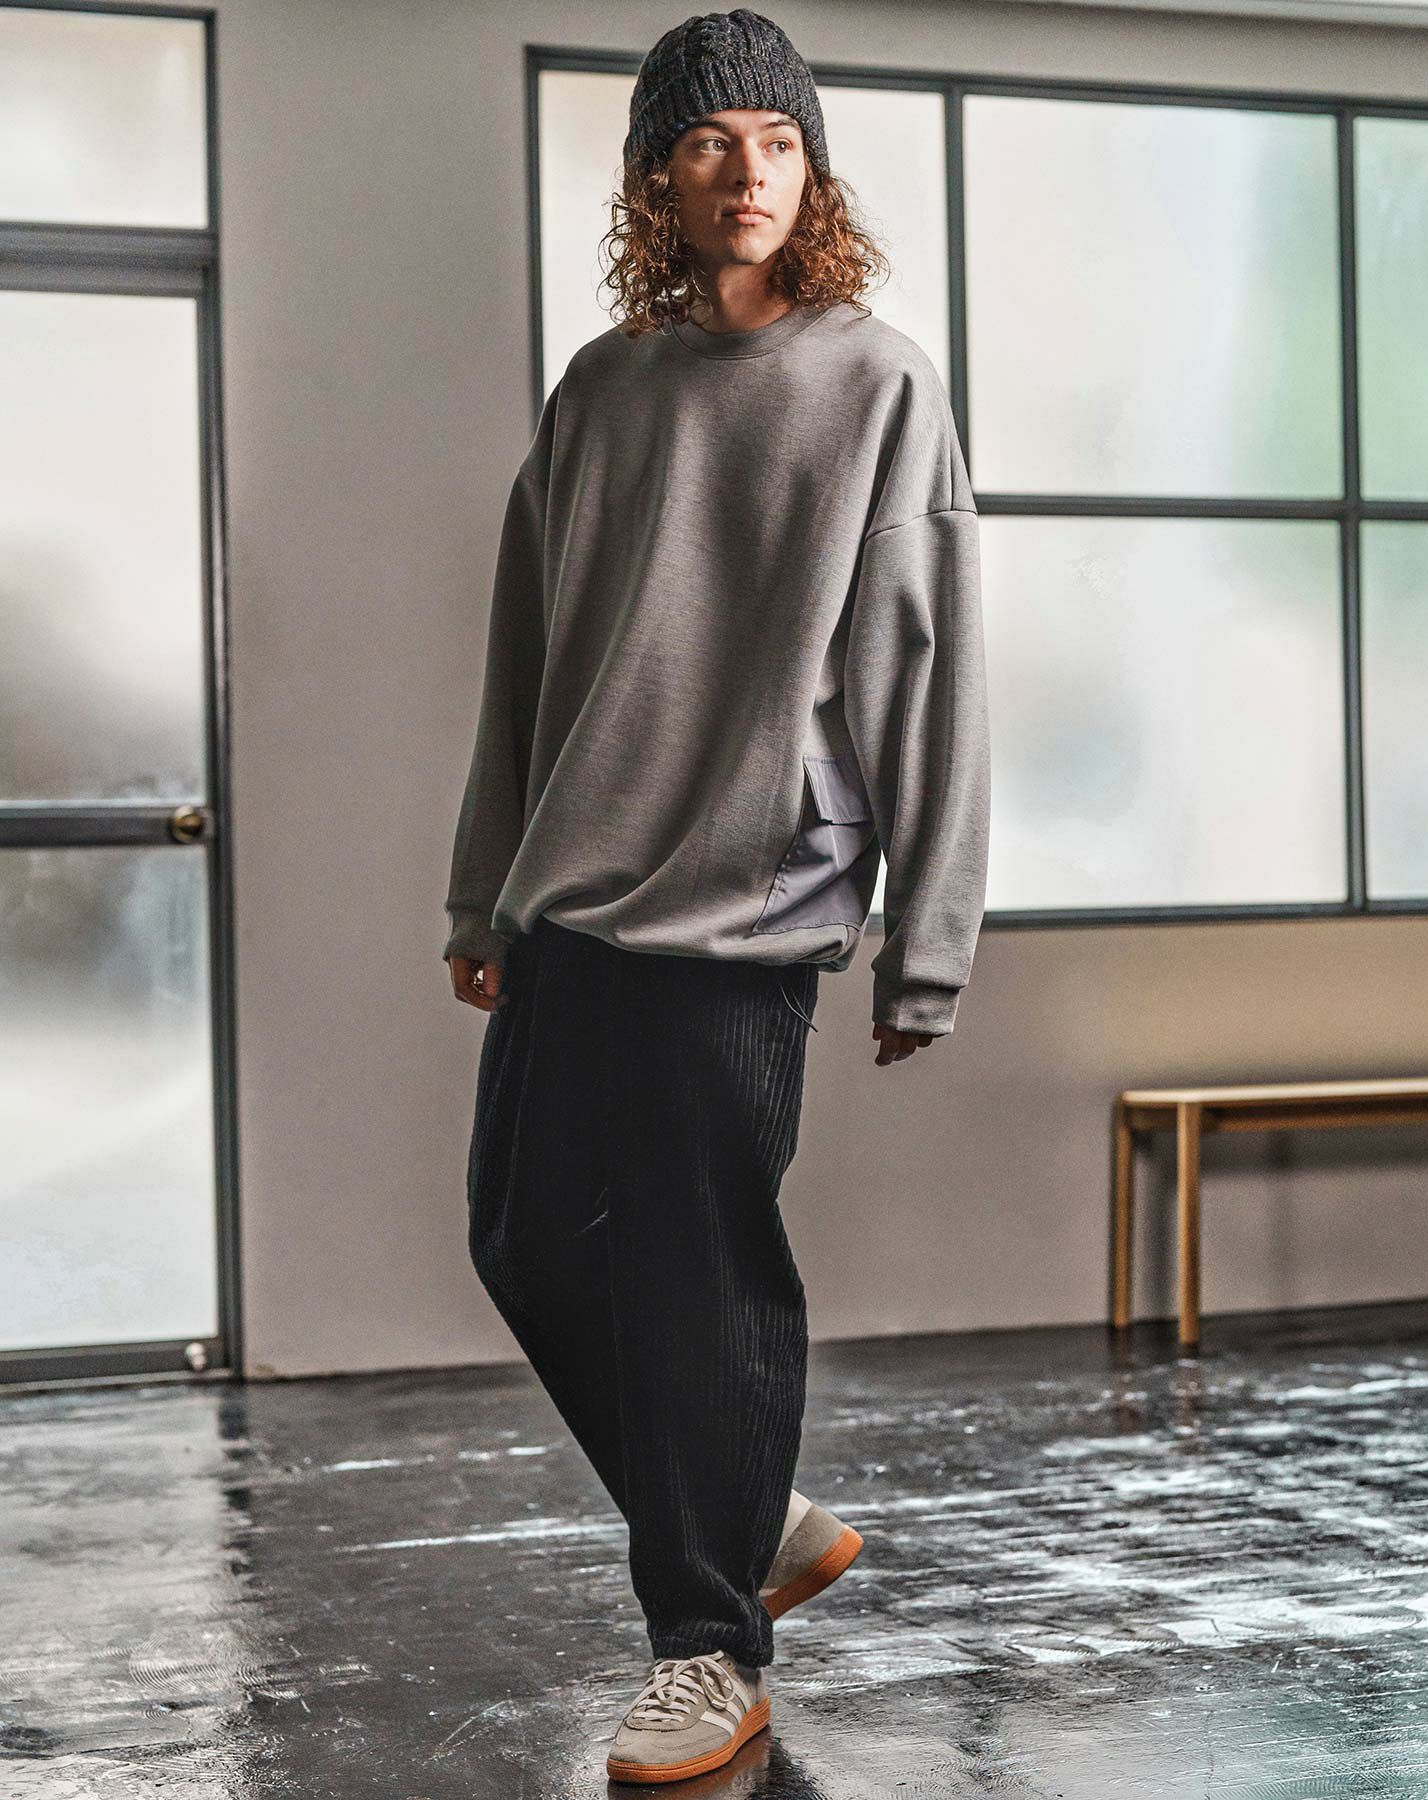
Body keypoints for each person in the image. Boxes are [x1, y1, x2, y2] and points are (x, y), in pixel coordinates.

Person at [441, 8, 991, 1783]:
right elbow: (526, 664)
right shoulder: (602, 389)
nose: (746, 171)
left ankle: (709, 1649)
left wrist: (928, 944)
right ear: (653, 182)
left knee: (703, 1281)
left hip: (750, 907)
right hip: (576, 894)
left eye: (777, 140)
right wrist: (482, 892)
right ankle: (751, 1518)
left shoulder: (876, 383)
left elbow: (929, 669)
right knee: (522, 1240)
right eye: (706, 143)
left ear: (810, 172)